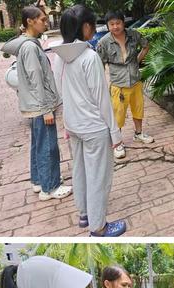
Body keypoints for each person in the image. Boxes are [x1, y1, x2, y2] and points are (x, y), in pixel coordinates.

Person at [52, 5, 126, 237]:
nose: (94, 29)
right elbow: (102, 99)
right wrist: (115, 134)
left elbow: (60, 93)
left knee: (80, 170)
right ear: (85, 27)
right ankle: (98, 226)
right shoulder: (89, 57)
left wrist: (67, 123)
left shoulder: (59, 58)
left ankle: (84, 214)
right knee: (98, 177)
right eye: (93, 25)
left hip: (74, 126)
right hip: (94, 127)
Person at [1, 7, 72, 201]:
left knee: (38, 144)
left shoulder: (27, 44)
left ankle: (39, 181)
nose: (46, 22)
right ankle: (50, 187)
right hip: (40, 106)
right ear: (30, 21)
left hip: (34, 105)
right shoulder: (30, 47)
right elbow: (36, 79)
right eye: (42, 19)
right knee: (48, 146)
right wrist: (46, 109)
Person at [97, 10, 154, 160]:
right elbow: (100, 64)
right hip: (118, 84)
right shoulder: (104, 42)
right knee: (118, 115)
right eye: (112, 24)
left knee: (138, 109)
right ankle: (117, 142)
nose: (115, 26)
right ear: (108, 25)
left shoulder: (133, 34)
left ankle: (138, 133)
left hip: (135, 79)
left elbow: (146, 46)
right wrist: (101, 84)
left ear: (123, 22)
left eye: (118, 23)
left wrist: (138, 60)